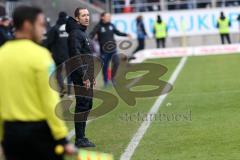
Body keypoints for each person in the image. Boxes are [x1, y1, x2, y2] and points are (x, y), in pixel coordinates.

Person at [0, 6, 75, 160]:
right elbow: (49, 99)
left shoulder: (2, 55)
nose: (44, 30)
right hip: (39, 134)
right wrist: (62, 138)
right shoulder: (41, 55)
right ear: (28, 25)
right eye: (41, 25)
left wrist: (2, 137)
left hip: (10, 135)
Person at [66, 7, 96, 148]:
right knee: (82, 105)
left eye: (88, 15)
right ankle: (79, 139)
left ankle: (82, 137)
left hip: (85, 75)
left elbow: (86, 56)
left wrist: (91, 75)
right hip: (80, 75)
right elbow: (76, 56)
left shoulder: (81, 32)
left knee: (87, 104)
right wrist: (84, 75)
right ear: (77, 18)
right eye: (83, 15)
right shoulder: (75, 34)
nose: (87, 17)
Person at [89, 12, 131, 87]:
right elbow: (91, 34)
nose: (109, 18)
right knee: (105, 66)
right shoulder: (98, 26)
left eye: (109, 16)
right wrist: (87, 40)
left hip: (113, 49)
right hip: (104, 51)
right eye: (107, 16)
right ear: (102, 17)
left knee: (117, 62)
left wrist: (126, 34)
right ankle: (106, 81)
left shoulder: (111, 25)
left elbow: (118, 32)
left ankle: (112, 78)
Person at [46, 11, 71, 97]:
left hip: (57, 54)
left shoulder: (54, 28)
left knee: (58, 73)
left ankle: (62, 88)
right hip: (69, 53)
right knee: (69, 73)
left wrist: (49, 50)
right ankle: (69, 92)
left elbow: (49, 41)